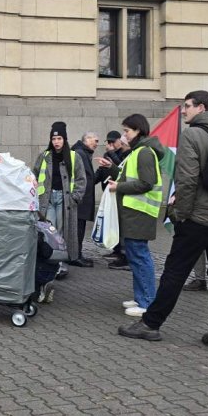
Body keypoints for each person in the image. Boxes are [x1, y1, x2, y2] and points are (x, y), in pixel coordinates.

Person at [118, 90, 208, 353]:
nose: (183, 112)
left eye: (187, 107)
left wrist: (179, 215)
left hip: (198, 218)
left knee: (175, 272)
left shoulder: (193, 135)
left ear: (201, 108)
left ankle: (151, 324)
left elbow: (187, 182)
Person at [110, 114, 167, 317]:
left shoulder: (144, 152)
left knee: (140, 257)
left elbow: (146, 183)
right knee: (135, 257)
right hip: (134, 213)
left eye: (127, 131)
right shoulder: (138, 151)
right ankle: (141, 297)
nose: (124, 135)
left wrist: (119, 186)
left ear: (138, 131)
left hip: (139, 213)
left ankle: (147, 302)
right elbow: (132, 176)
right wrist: (113, 170)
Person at [33, 121, 86, 279]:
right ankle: (50, 262)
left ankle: (62, 265)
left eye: (59, 139)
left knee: (62, 231)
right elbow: (34, 175)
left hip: (65, 200)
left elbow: (81, 180)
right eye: (54, 139)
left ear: (65, 139)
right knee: (50, 230)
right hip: (47, 199)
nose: (56, 142)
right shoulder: (44, 156)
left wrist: (74, 198)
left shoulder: (74, 157)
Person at [96, 131, 130, 268]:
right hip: (111, 192)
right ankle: (117, 250)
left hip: (122, 193)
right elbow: (102, 171)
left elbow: (120, 169)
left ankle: (124, 255)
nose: (110, 145)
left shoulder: (127, 154)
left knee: (123, 228)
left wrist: (111, 154)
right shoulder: (111, 154)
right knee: (115, 224)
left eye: (113, 142)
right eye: (108, 142)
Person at [70, 132, 100, 267]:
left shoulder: (82, 153)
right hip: (80, 199)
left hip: (80, 198)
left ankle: (77, 254)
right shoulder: (80, 153)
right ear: (87, 140)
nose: (97, 144)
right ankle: (75, 256)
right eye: (96, 140)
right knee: (78, 229)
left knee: (79, 228)